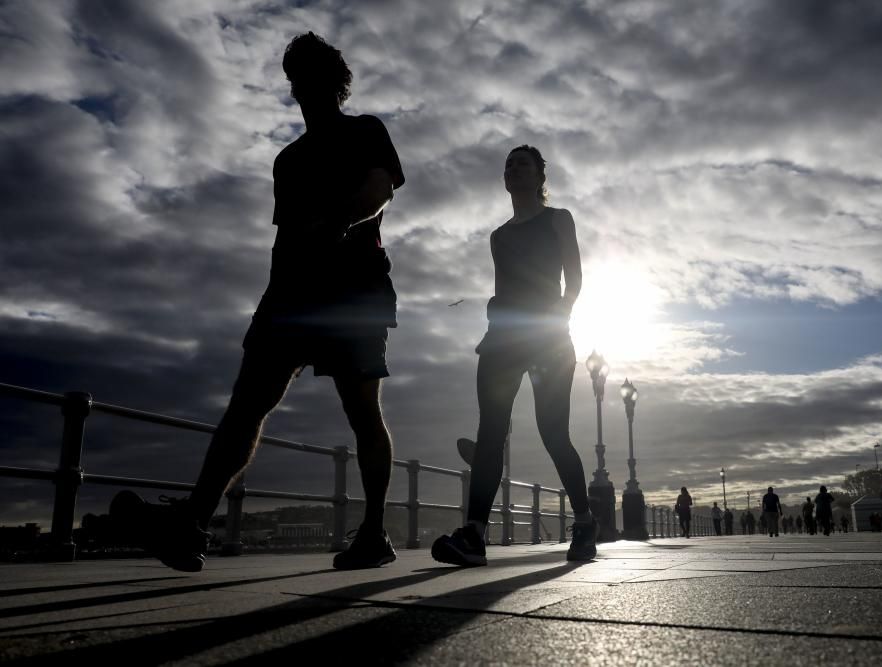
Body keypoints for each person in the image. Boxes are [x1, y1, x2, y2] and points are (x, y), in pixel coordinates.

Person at [109, 33, 405, 572]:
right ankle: (192, 524)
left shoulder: (366, 130)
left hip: (355, 293)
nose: (300, 87)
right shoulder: (287, 161)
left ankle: (375, 533)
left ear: (335, 82)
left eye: (310, 76)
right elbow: (286, 235)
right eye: (294, 77)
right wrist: (273, 299)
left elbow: (380, 188)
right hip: (289, 297)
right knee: (246, 405)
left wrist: (334, 223)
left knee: (363, 412)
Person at [431, 146, 597, 566]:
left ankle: (585, 524)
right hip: (503, 340)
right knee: (490, 431)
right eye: (509, 164)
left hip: (549, 339)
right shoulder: (499, 236)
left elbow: (574, 280)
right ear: (504, 179)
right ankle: (474, 536)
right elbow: (502, 287)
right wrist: (492, 332)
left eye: (523, 162)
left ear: (541, 175)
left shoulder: (558, 219)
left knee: (553, 433)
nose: (514, 168)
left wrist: (559, 317)